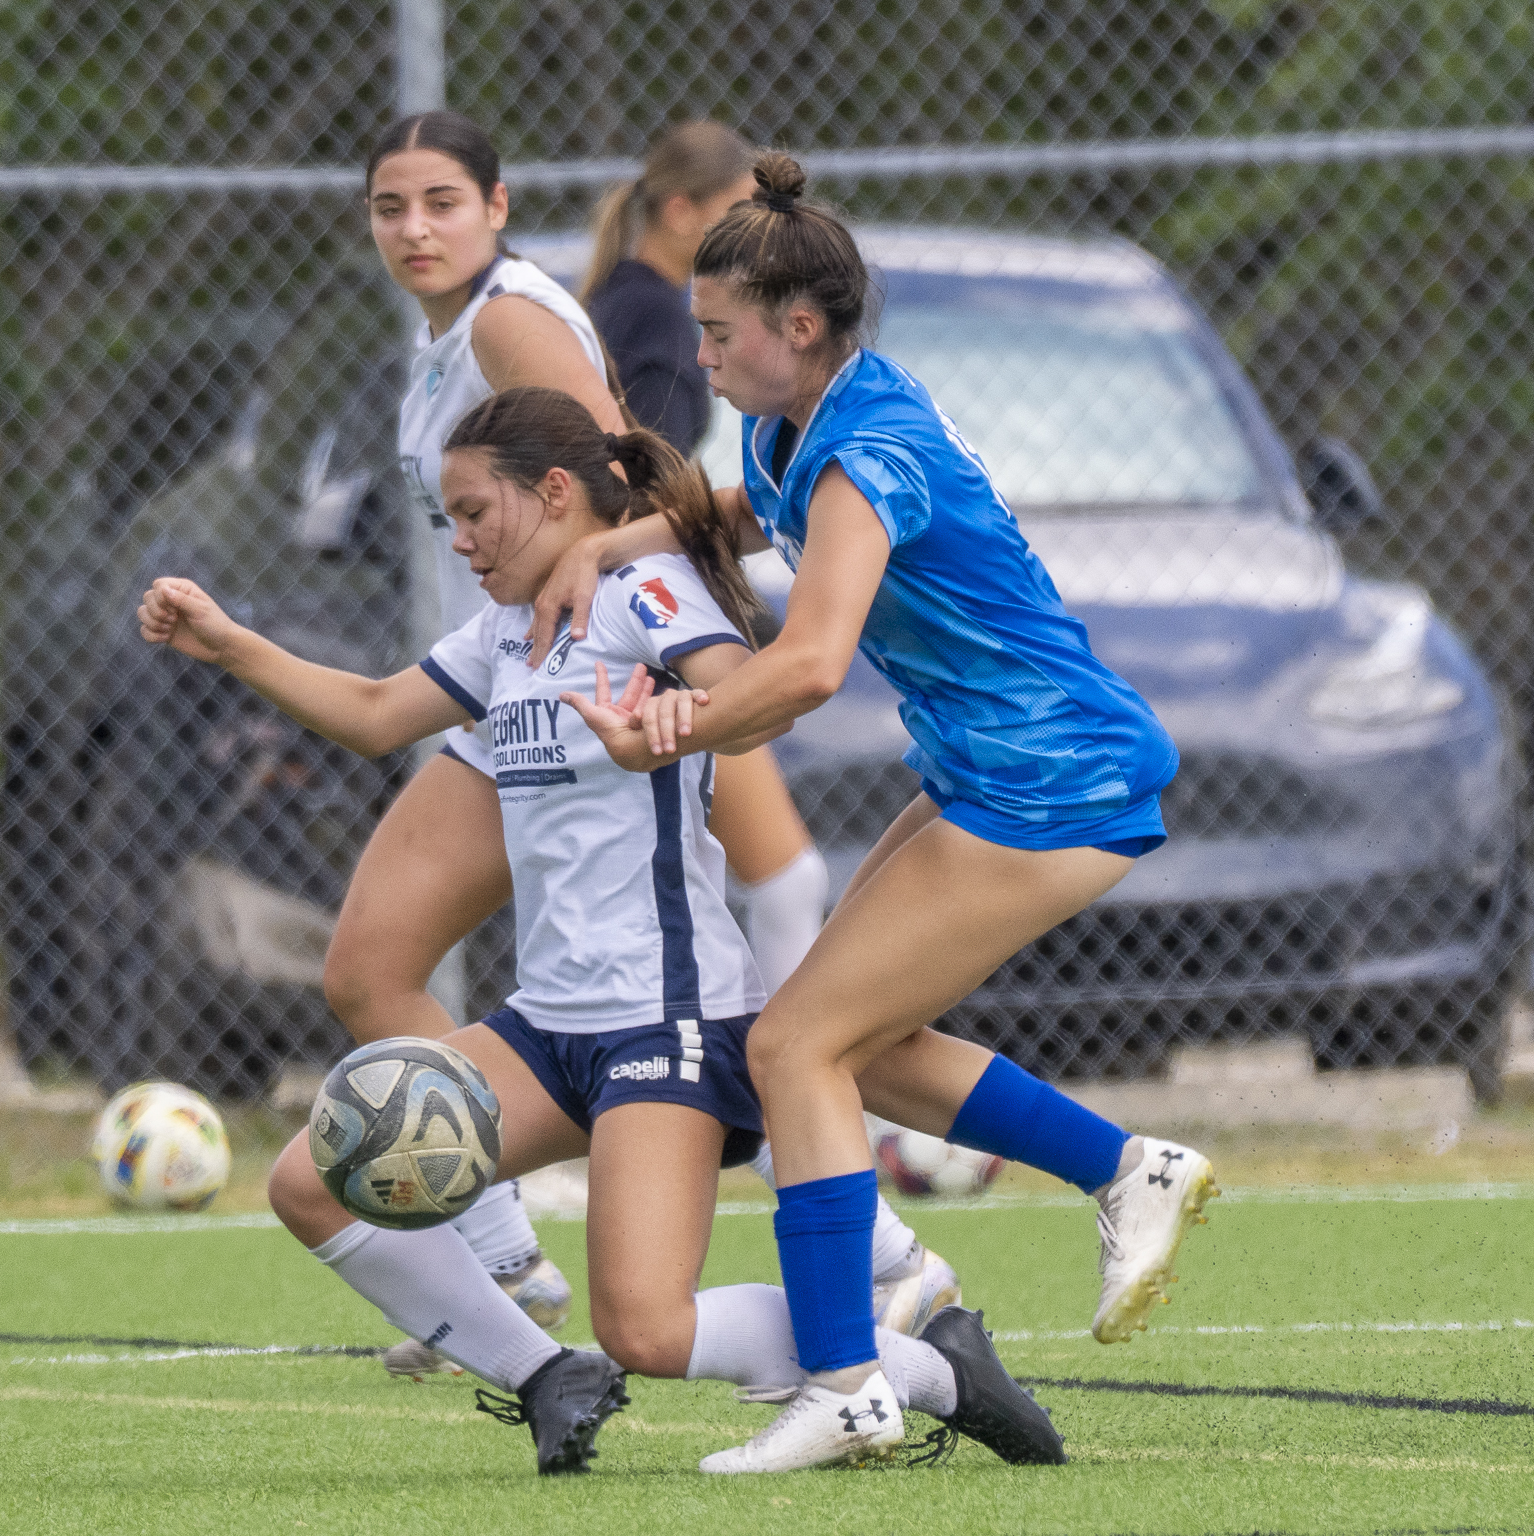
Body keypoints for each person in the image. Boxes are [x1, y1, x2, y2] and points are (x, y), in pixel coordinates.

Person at [141, 389, 1064, 1476]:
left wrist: (687, 716)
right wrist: (230, 642)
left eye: (475, 510)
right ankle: (545, 1374)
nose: (460, 537)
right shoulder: (506, 632)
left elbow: (758, 690)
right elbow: (377, 713)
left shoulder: (645, 592)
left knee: (650, 1330)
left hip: (666, 1027)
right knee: (310, 1179)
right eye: (448, 516)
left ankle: (929, 1367)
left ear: (555, 493)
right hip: (546, 1029)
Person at [542, 153, 1219, 1473]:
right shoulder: (805, 427)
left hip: (1054, 776)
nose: (701, 353)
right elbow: (750, 512)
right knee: (852, 1041)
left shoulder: (870, 449)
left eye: (718, 331)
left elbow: (805, 670)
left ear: (799, 329)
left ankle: (849, 1382)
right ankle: (1126, 1168)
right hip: (1001, 764)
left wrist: (666, 730)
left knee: (795, 1046)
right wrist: (609, 547)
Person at [338, 111, 855, 1378]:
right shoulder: (442, 336)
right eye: (389, 205)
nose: (414, 228)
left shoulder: (510, 318)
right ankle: (509, 1244)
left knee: (772, 956)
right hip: (529, 664)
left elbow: (602, 474)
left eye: (441, 202)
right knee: (371, 968)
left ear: (499, 206)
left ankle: (872, 1265)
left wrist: (604, 603)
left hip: (582, 660)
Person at [582, 120, 829, 997]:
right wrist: (700, 610)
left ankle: (790, 1095)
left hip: (623, 612)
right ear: (682, 213)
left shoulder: (620, 298)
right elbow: (635, 480)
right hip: (643, 623)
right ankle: (786, 1112)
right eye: (736, 214)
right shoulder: (656, 313)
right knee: (787, 881)